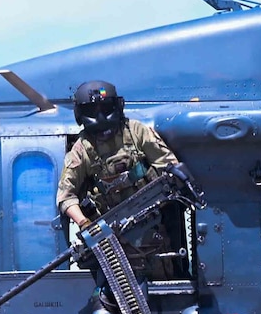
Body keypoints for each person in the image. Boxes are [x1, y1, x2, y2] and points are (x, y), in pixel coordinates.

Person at [57, 79, 180, 228]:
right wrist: (85, 224)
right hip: (113, 231)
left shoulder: (136, 132)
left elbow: (170, 168)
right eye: (92, 110)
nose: (100, 116)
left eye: (106, 107)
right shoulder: (82, 149)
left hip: (153, 221)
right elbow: (65, 197)